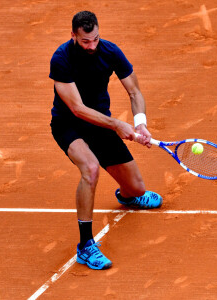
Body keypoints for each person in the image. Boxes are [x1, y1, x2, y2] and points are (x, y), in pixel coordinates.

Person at [49, 11, 162, 270]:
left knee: (136, 189)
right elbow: (77, 108)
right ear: (74, 36)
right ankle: (86, 246)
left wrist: (140, 122)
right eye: (86, 41)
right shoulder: (62, 58)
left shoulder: (110, 51)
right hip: (69, 126)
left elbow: (134, 90)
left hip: (100, 125)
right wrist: (117, 124)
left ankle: (129, 197)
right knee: (90, 169)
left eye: (95, 39)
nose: (92, 46)